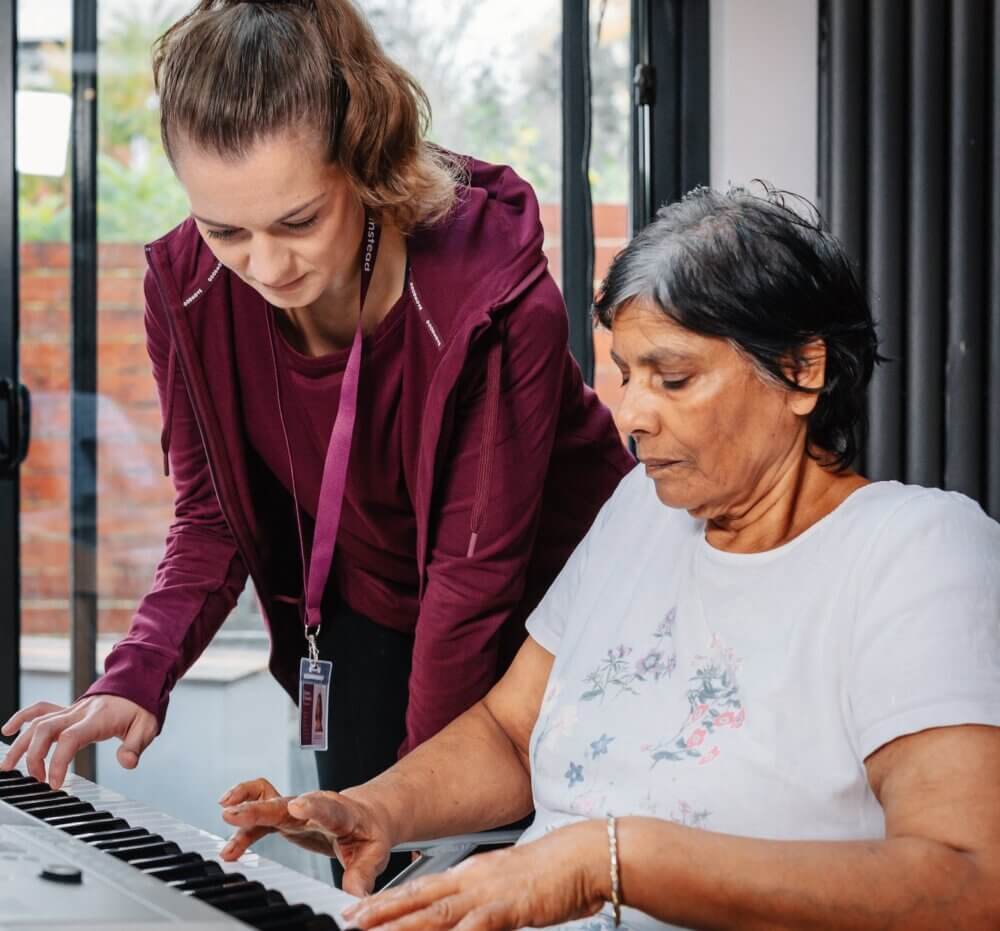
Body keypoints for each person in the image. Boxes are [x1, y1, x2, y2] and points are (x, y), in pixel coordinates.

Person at [216, 186, 1000, 930]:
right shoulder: (639, 512)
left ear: (801, 371)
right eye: (627, 375)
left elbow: (968, 884)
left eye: (675, 377)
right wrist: (377, 807)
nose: (633, 417)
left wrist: (607, 860)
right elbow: (509, 731)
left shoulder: (916, 552)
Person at [0, 0, 632, 887]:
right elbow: (211, 512)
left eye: (298, 222)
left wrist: (407, 813)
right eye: (225, 230)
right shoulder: (187, 289)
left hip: (547, 609)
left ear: (367, 162)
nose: (264, 266)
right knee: (364, 872)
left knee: (480, 878)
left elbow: (474, 577)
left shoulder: (495, 297)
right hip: (370, 601)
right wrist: (132, 676)